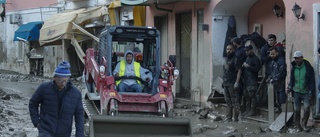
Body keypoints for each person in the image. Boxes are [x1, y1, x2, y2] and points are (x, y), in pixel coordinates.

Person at [29, 61, 84, 137]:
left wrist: (80, 135)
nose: (62, 83)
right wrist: (36, 122)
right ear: (54, 78)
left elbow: (79, 116)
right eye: (60, 81)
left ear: (68, 78)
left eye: (65, 81)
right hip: (46, 130)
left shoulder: (76, 94)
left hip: (64, 133)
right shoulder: (44, 88)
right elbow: (33, 103)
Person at [287, 51, 315, 132]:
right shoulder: (294, 67)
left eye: (298, 58)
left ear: (302, 58)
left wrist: (311, 91)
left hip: (306, 91)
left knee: (306, 108)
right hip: (296, 91)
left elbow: (311, 80)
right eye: (295, 58)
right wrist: (289, 87)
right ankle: (297, 126)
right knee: (296, 110)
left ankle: (304, 124)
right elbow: (292, 79)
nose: (296, 60)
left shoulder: (308, 67)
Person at [241, 45, 261, 116]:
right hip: (246, 80)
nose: (247, 52)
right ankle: (247, 110)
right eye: (246, 51)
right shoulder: (247, 58)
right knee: (246, 96)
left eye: (248, 50)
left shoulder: (255, 59)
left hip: (252, 80)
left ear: (251, 50)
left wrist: (249, 67)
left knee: (252, 96)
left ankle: (252, 111)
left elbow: (257, 69)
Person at [222, 44, 240, 122]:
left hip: (232, 82)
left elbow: (239, 70)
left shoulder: (236, 59)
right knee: (227, 101)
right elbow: (225, 71)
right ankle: (228, 118)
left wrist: (237, 82)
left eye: (230, 49)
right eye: (227, 49)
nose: (228, 51)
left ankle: (235, 118)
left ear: (233, 50)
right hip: (226, 82)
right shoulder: (226, 59)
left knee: (234, 101)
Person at [231, 37, 247, 113]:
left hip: (242, 74)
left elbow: (239, 67)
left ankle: (242, 109)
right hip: (238, 74)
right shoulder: (238, 50)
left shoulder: (241, 51)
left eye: (233, 42)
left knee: (241, 92)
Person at [269, 47, 287, 113]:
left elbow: (282, 73)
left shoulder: (281, 61)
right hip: (276, 85)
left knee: (282, 100)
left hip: (281, 84)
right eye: (271, 54)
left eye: (273, 54)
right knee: (277, 101)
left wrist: (274, 79)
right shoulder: (273, 61)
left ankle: (284, 113)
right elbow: (272, 72)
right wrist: (270, 77)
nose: (272, 56)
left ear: (277, 53)